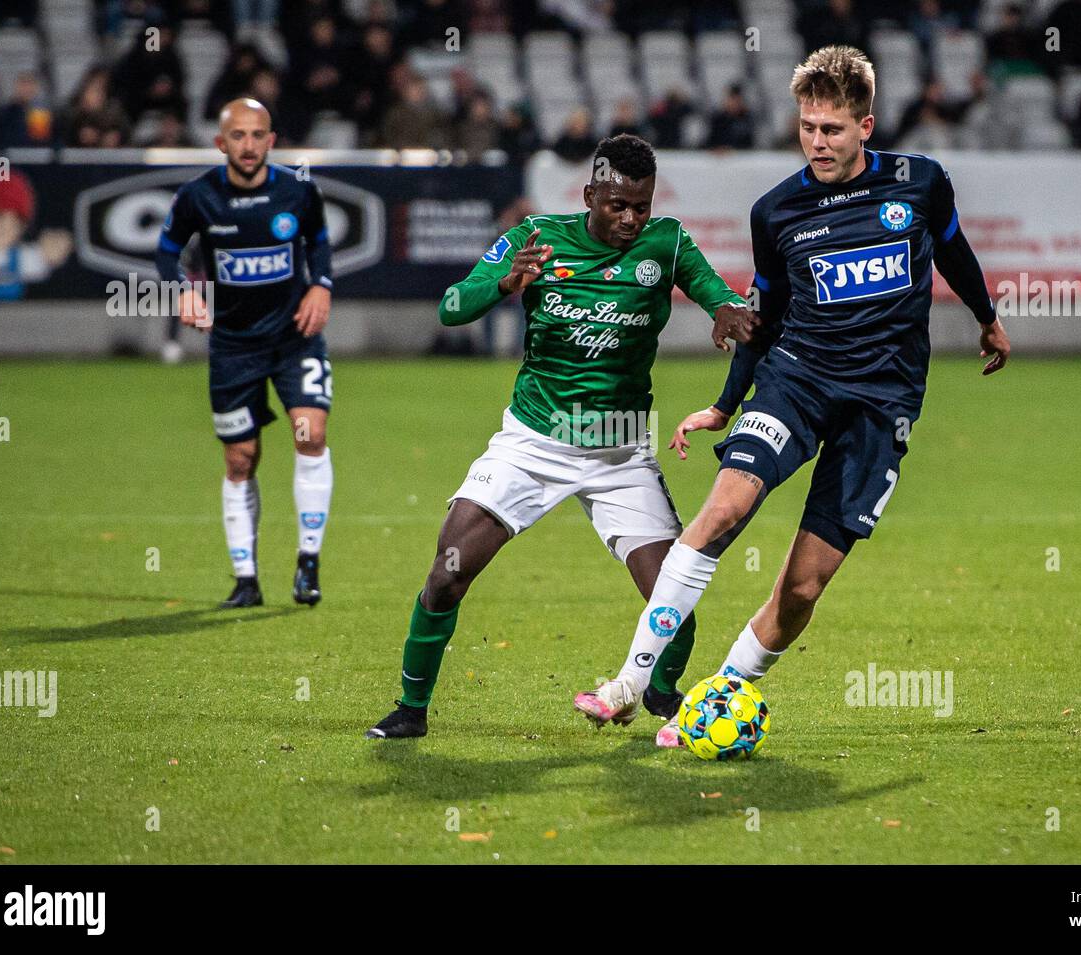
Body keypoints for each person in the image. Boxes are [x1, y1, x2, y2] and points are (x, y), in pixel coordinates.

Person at [574, 46, 1011, 745]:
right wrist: (725, 402)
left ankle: (710, 704)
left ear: (865, 126)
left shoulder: (920, 184)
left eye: (832, 129)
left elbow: (954, 250)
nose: (816, 141)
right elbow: (763, 313)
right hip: (796, 381)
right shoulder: (776, 211)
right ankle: (630, 680)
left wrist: (987, 318)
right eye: (807, 126)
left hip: (882, 403)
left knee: (804, 586)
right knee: (724, 509)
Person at [365, 134, 757, 741]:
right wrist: (502, 285)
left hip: (621, 450)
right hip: (533, 443)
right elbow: (450, 306)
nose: (631, 219)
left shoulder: (668, 240)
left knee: (673, 604)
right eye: (618, 205)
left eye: (641, 207)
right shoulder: (537, 238)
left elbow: (713, 289)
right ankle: (410, 710)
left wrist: (727, 309)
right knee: (446, 573)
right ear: (590, 195)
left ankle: (659, 699)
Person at [154, 98, 335, 609]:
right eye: (239, 136)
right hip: (234, 345)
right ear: (220, 142)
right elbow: (167, 252)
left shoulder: (297, 192)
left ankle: (308, 562)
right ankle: (245, 578)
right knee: (240, 458)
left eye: (259, 135)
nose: (249, 145)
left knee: (311, 433)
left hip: (294, 337)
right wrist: (183, 289)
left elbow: (319, 244)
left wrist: (320, 285)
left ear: (271, 141)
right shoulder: (199, 198)